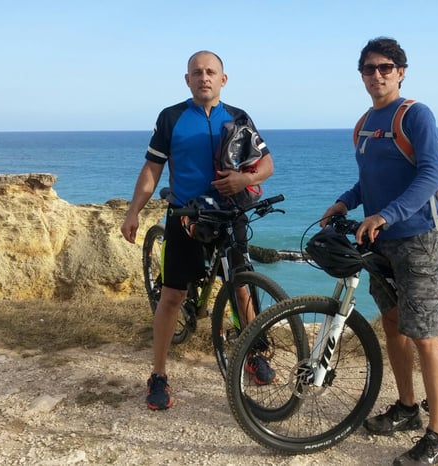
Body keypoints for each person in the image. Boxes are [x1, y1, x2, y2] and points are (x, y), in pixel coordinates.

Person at [121, 50, 275, 411]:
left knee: (241, 289)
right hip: (186, 215)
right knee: (172, 296)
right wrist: (133, 212)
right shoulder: (171, 117)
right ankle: (158, 374)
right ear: (187, 79)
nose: (204, 77)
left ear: (223, 79)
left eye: (211, 72)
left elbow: (267, 163)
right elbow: (152, 170)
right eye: (197, 72)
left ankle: (254, 354)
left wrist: (245, 179)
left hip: (230, 213)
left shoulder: (239, 117)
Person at [320, 37, 438, 465]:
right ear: (361, 75)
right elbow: (368, 181)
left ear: (401, 71)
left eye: (386, 67)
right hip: (381, 242)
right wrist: (345, 202)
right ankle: (408, 408)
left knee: (425, 336)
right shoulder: (363, 124)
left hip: (416, 239)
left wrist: (386, 215)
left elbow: (430, 174)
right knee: (393, 326)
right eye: (369, 68)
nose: (377, 74)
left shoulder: (415, 115)